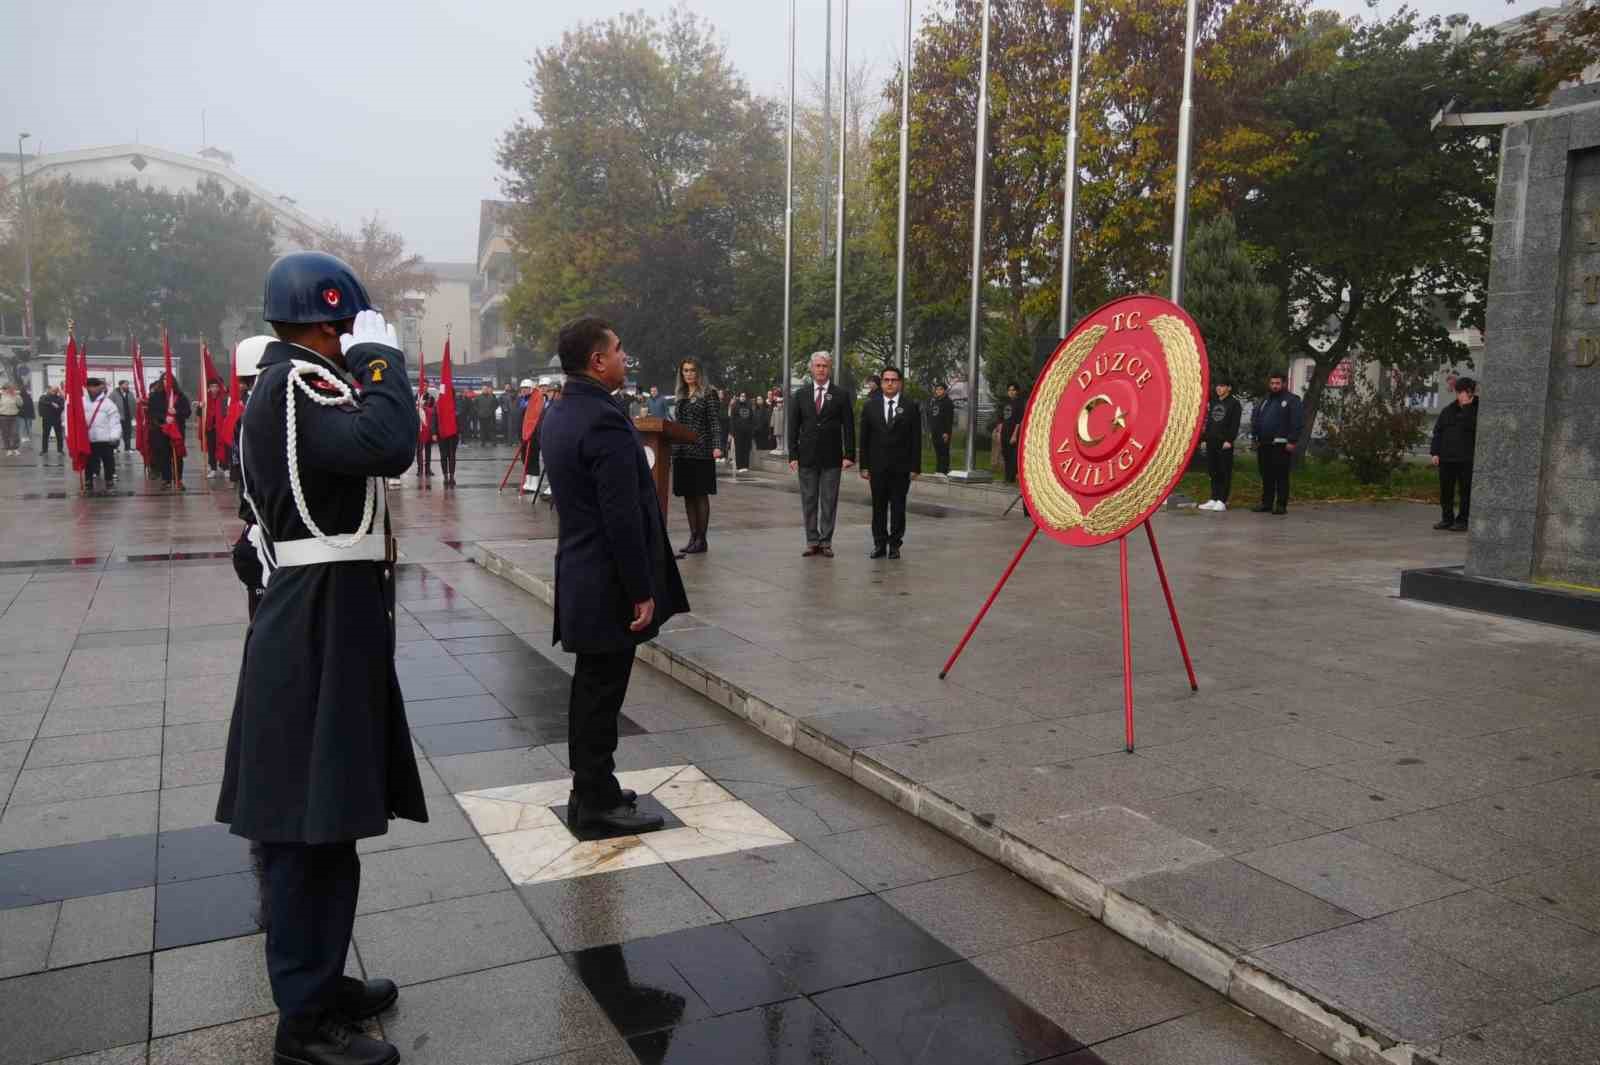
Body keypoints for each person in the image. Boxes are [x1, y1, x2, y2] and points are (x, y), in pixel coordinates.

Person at [217, 252, 420, 1065]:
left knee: (329, 810)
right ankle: (302, 1024)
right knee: (306, 822)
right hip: (316, 619)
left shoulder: (293, 384)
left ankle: (323, 979)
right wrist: (382, 362)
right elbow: (389, 440)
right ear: (329, 319)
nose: (351, 341)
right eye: (347, 327)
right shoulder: (301, 383)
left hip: (329, 609)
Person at [541, 316, 688, 833]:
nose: (626, 357)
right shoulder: (601, 418)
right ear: (596, 360)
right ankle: (596, 802)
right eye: (619, 349)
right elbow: (619, 514)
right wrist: (640, 589)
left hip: (582, 570)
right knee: (601, 695)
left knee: (593, 690)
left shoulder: (563, 409)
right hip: (605, 579)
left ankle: (593, 788)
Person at [788, 351, 856, 558]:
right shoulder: (800, 395)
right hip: (807, 456)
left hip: (832, 457)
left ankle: (826, 541)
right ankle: (812, 541)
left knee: (829, 500)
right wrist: (793, 455)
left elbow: (849, 427)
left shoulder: (841, 395)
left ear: (830, 368)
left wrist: (849, 454)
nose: (821, 369)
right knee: (809, 499)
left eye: (824, 366)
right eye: (817, 366)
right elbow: (793, 426)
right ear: (811, 369)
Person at [858, 366, 921, 559]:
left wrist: (915, 466)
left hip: (901, 467)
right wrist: (864, 465)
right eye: (886, 380)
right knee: (878, 507)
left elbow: (916, 438)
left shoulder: (910, 406)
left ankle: (895, 544)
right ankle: (879, 543)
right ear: (882, 382)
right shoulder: (870, 406)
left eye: (894, 380)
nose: (890, 383)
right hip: (877, 466)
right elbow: (865, 438)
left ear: (900, 383)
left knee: (898, 507)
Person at [670, 358, 723, 557]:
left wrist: (717, 446)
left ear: (699, 372)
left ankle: (702, 539)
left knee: (700, 494)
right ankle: (693, 537)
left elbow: (714, 422)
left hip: (701, 450)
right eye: (685, 371)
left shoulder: (709, 394)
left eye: (692, 370)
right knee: (687, 495)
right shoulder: (681, 394)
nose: (689, 374)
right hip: (682, 451)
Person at [1250, 370, 1303, 515]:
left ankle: (1281, 505)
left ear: (1284, 383)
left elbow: (1297, 422)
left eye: (1277, 383)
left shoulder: (1292, 400)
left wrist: (1292, 441)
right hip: (1264, 444)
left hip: (1281, 444)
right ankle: (1266, 503)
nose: (1274, 386)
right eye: (1272, 383)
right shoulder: (1265, 400)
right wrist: (1254, 437)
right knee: (1266, 475)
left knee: (1281, 476)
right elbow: (1256, 418)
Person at [1431, 376, 1478, 532]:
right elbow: (1438, 432)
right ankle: (1447, 518)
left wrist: (1467, 407)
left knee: (1465, 491)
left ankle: (1463, 520)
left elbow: (1471, 427)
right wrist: (1435, 452)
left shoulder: (1478, 410)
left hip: (1466, 459)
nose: (1462, 395)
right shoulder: (1448, 410)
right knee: (1446, 491)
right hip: (1446, 458)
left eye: (1466, 392)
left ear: (1471, 392)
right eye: (1460, 392)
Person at [1200, 379, 1243, 511]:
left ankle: (1222, 500)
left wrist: (1229, 440)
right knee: (1213, 471)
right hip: (1211, 441)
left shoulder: (1234, 404)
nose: (1219, 388)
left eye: (1222, 385)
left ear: (1229, 388)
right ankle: (1214, 498)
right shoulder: (1213, 402)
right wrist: (1204, 438)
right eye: (1217, 385)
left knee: (1224, 471)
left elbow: (1235, 424)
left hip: (1224, 443)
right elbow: (1209, 422)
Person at [149, 376, 192, 491]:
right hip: (162, 430)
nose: (166, 382)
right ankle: (166, 480)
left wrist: (176, 412)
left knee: (178, 455)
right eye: (164, 379)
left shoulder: (181, 396)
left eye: (169, 380)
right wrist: (164, 418)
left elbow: (187, 412)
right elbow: (152, 412)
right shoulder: (155, 396)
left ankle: (179, 479)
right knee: (164, 456)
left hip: (177, 430)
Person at [82, 377, 123, 494]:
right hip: (88, 439)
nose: (95, 389)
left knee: (108, 462)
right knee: (89, 462)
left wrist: (114, 436)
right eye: (92, 386)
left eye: (97, 386)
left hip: (105, 439)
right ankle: (88, 482)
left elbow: (115, 422)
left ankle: (109, 482)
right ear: (88, 387)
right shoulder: (81, 402)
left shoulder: (108, 404)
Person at [998, 383, 1024, 483]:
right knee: (1005, 454)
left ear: (1017, 391)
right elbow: (1001, 418)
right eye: (1009, 390)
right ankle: (1006, 477)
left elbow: (1019, 421)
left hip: (1013, 431)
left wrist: (1014, 435)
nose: (1011, 392)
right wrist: (1000, 431)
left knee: (1012, 455)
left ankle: (1011, 478)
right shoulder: (1006, 402)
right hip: (1005, 430)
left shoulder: (1019, 403)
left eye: (1013, 390)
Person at [927, 382, 955, 476]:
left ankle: (944, 470)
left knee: (944, 451)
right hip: (935, 431)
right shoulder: (935, 401)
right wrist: (931, 431)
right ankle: (938, 470)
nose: (938, 391)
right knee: (938, 451)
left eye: (941, 389)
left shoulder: (948, 402)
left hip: (943, 432)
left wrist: (946, 432)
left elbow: (949, 419)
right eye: (937, 389)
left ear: (945, 391)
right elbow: (932, 417)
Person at [728, 390, 755, 473]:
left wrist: (751, 429)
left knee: (746, 449)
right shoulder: (735, 406)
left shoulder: (749, 406)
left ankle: (745, 466)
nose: (743, 397)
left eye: (744, 396)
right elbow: (732, 420)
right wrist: (732, 432)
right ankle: (739, 466)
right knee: (739, 449)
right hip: (738, 432)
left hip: (747, 432)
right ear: (739, 397)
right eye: (741, 396)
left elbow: (752, 418)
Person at [415, 390, 436, 487]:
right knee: (419, 450)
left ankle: (428, 469)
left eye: (426, 385)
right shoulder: (416, 396)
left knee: (428, 450)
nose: (425, 387)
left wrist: (425, 408)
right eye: (423, 385)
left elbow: (433, 411)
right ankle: (420, 469)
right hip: (419, 427)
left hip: (428, 426)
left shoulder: (431, 398)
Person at [38, 386, 65, 460]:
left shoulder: (59, 398)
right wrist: (52, 404)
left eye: (55, 390)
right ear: (49, 390)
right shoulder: (44, 397)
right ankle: (44, 450)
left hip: (56, 418)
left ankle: (60, 450)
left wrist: (57, 407)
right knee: (45, 435)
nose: (53, 392)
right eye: (52, 390)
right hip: (47, 419)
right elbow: (42, 402)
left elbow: (61, 407)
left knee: (59, 435)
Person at [112, 381, 135, 452]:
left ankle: (127, 448)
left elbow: (133, 404)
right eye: (126, 384)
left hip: (128, 417)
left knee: (128, 432)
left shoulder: (130, 394)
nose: (127, 386)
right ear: (120, 385)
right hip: (118, 417)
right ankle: (115, 447)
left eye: (128, 384)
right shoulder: (114, 394)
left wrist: (133, 414)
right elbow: (110, 404)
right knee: (117, 433)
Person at [0, 384, 20, 455]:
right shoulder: (1, 395)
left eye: (12, 389)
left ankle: (15, 448)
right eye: (10, 389)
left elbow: (20, 404)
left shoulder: (16, 396)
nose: (11, 390)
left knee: (15, 433)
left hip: (14, 416)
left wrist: (16, 397)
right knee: (5, 434)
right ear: (6, 389)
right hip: (3, 416)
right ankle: (8, 449)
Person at [18, 385, 34, 450]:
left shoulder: (19, 397)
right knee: (28, 427)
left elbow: (18, 406)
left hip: (21, 414)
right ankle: (28, 439)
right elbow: (31, 407)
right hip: (28, 414)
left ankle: (22, 439)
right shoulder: (29, 397)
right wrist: (33, 415)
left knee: (22, 427)